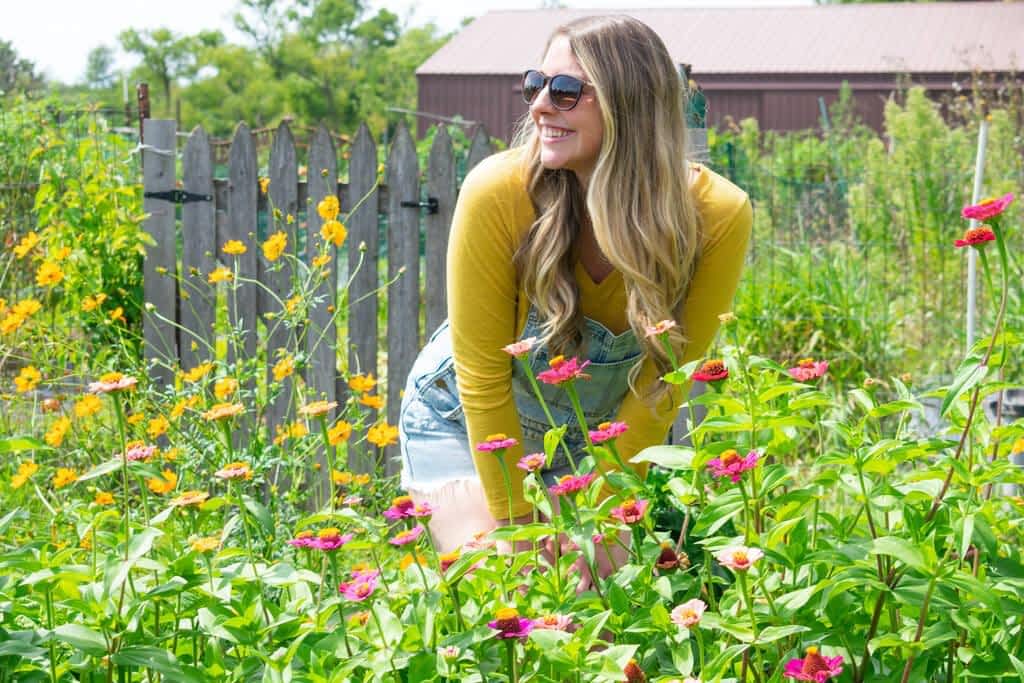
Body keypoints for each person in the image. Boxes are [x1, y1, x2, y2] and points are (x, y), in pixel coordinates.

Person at [398, 15, 752, 566]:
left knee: (597, 602)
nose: (539, 105)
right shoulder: (498, 193)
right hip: (465, 421)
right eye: (534, 84)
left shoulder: (716, 216)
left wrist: (607, 514)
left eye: (565, 91)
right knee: (506, 584)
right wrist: (517, 524)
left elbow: (666, 381)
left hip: (594, 440)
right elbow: (483, 379)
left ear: (628, 105)